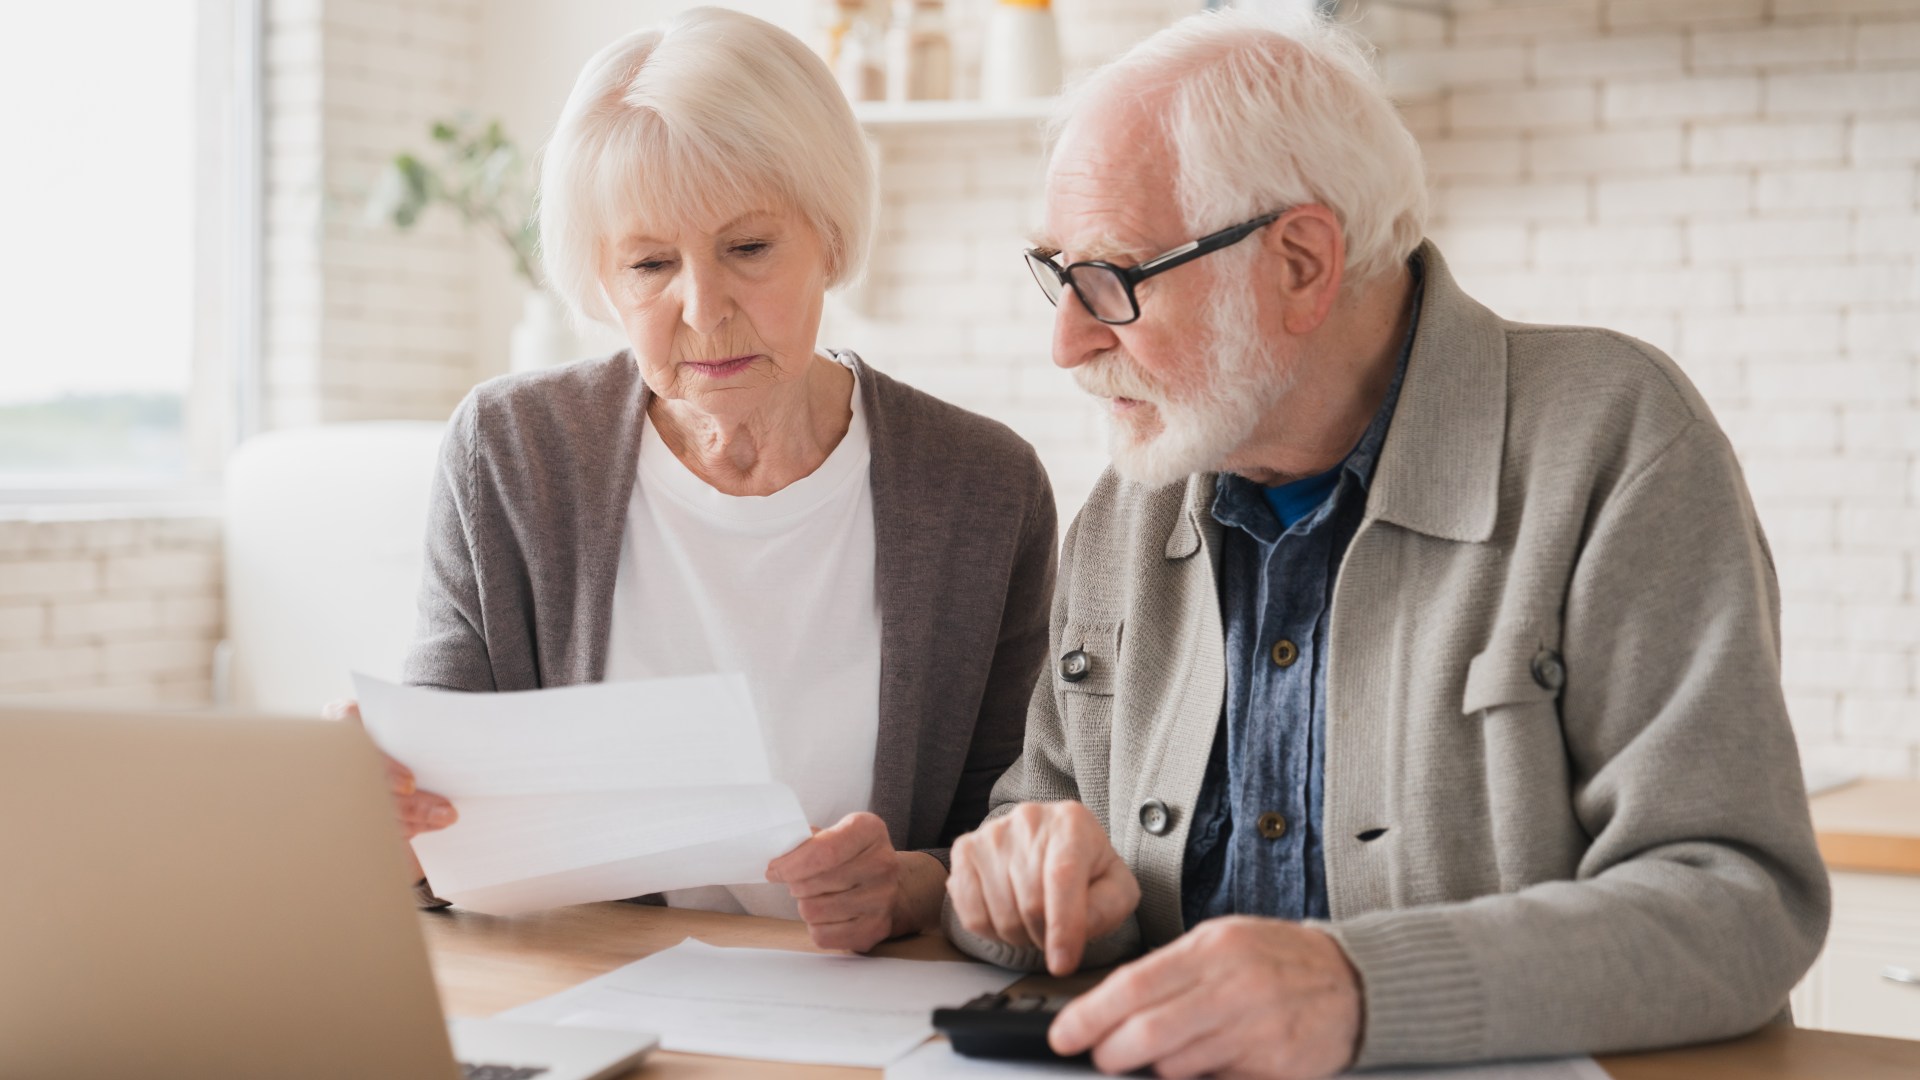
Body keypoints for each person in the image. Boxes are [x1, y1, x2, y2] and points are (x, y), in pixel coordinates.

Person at [942, 9, 1830, 1078]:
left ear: (1303, 262)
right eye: (1058, 272)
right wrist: (1019, 884)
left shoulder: (1614, 439)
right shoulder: (1129, 502)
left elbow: (1739, 905)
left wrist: (1358, 990)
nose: (1067, 341)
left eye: (1114, 280)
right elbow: (1035, 825)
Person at [339, 6, 1057, 954]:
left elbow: (1016, 827)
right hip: (581, 991)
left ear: (830, 239)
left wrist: (912, 887)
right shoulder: (511, 455)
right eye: (649, 264)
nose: (703, 308)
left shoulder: (982, 487)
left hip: (862, 1001)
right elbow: (442, 833)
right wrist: (377, 812)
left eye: (749, 249)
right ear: (602, 280)